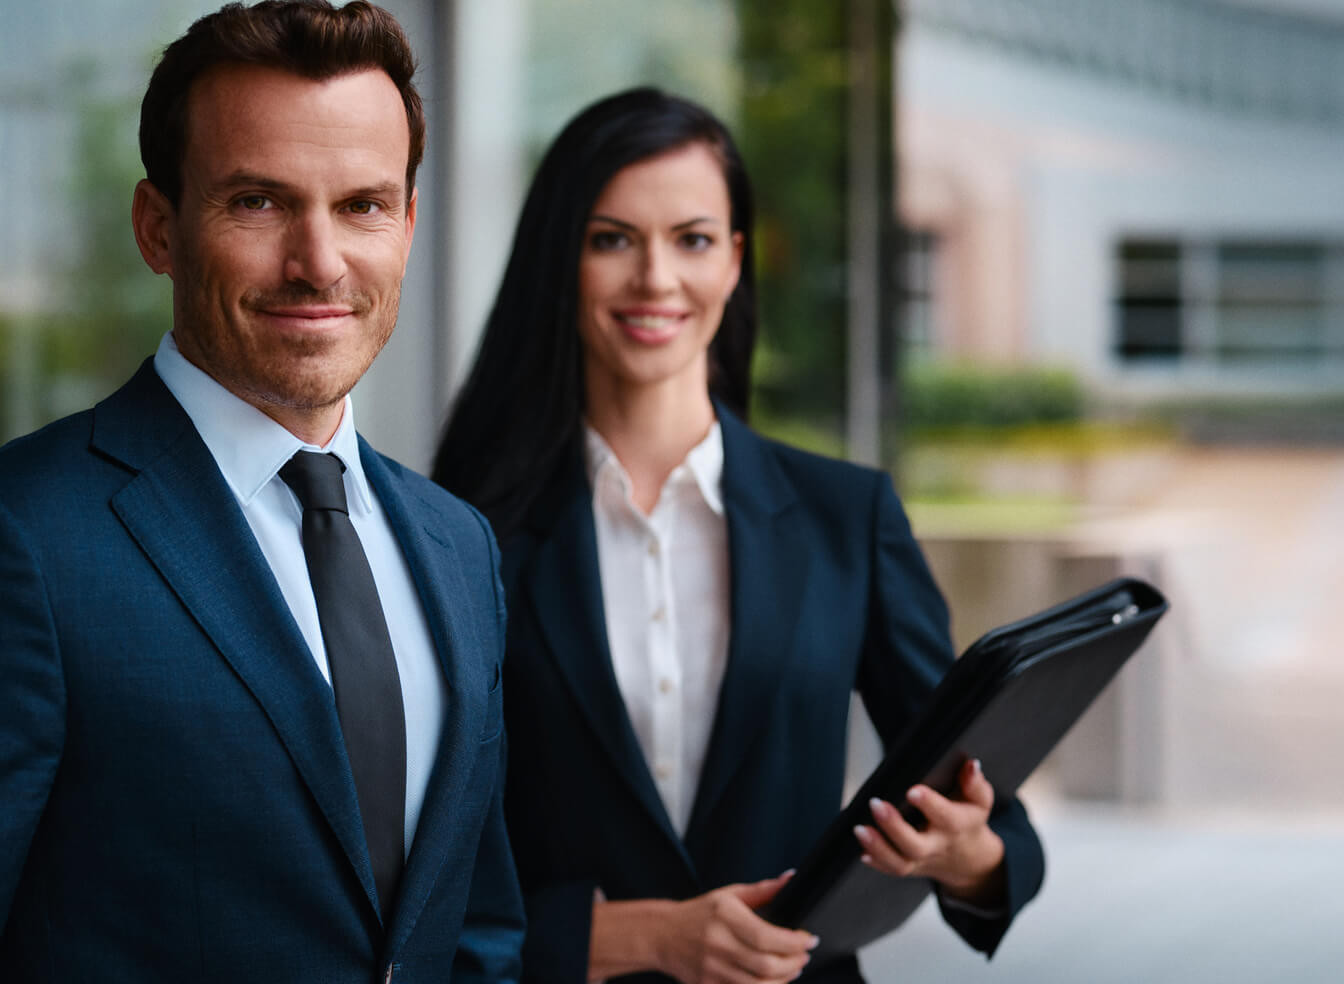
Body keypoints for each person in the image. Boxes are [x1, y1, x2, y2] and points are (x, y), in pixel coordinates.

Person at [0, 0, 523, 983]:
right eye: (257, 201)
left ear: (408, 223)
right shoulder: (5, 547)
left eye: (361, 205)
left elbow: (474, 930)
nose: (319, 261)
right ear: (158, 227)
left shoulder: (456, 546)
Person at [432, 88, 1042, 984]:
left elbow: (993, 826)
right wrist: (638, 938)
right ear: (560, 260)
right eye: (611, 239)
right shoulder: (462, 533)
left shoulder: (848, 519)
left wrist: (969, 855)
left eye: (693, 238)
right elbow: (421, 868)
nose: (655, 278)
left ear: (735, 262)